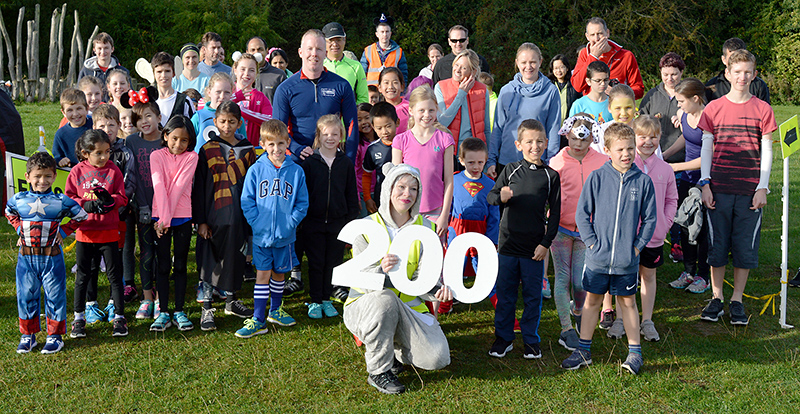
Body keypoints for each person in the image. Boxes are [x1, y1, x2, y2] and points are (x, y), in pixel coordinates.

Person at [343, 162, 452, 395]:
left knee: (438, 358)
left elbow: (425, 281)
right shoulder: (367, 227)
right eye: (401, 187)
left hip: (409, 308)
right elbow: (359, 279)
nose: (407, 194)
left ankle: (394, 349)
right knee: (386, 300)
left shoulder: (427, 228)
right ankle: (379, 370)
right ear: (388, 190)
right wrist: (380, 270)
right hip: (367, 306)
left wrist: (440, 290)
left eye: (413, 189)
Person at [560, 122, 656, 375]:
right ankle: (583, 350)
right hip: (597, 258)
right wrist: (592, 243)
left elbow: (650, 219)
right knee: (591, 301)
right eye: (621, 149)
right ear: (607, 150)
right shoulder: (598, 177)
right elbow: (583, 215)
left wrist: (637, 247)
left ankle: (635, 353)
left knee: (628, 303)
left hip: (627, 259)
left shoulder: (643, 182)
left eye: (631, 148)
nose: (627, 154)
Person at [697, 49, 776, 325]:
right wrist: (705, 183)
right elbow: (707, 148)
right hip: (718, 188)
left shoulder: (763, 109)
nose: (742, 77)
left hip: (748, 191)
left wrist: (762, 187)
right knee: (717, 246)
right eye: (737, 71)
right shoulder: (713, 108)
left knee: (744, 248)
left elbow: (767, 150)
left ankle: (737, 300)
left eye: (748, 72)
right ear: (727, 74)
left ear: (754, 74)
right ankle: (716, 298)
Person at [486, 119, 560, 359]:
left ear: (546, 143)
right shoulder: (510, 170)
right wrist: (503, 196)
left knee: (532, 296)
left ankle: (530, 339)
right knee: (506, 294)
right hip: (508, 246)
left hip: (534, 250)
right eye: (529, 142)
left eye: (539, 141)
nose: (535, 146)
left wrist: (545, 244)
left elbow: (555, 214)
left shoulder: (551, 176)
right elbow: (491, 198)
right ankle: (504, 338)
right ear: (519, 144)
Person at [7, 152, 88, 354]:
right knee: (26, 295)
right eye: (37, 176)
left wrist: (63, 231)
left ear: (54, 177)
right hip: (26, 257)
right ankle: (28, 335)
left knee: (55, 295)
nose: (42, 181)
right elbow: (9, 212)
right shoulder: (18, 199)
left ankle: (55, 336)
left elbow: (82, 215)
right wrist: (20, 230)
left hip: (52, 257)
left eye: (47, 176)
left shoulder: (61, 200)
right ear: (27, 177)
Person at [236, 119, 308, 337]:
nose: (276, 149)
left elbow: (302, 203)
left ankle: (275, 310)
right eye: (271, 144)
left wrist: (290, 223)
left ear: (287, 143)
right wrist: (256, 222)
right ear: (262, 144)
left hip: (285, 236)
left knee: (279, 274)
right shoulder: (256, 170)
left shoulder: (296, 171)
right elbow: (247, 200)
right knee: (262, 274)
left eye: (280, 144)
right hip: (261, 235)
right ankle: (258, 318)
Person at [193, 101, 257, 331]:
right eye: (222, 121)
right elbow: (199, 187)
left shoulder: (248, 150)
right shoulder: (207, 149)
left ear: (239, 123)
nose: (227, 126)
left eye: (232, 121)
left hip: (238, 215)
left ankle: (231, 300)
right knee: (208, 259)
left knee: (235, 256)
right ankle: (207, 307)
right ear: (215, 122)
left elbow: (252, 185)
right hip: (212, 215)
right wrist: (200, 220)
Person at [548, 114, 607, 351]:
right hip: (560, 229)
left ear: (592, 138)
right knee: (562, 279)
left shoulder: (603, 161)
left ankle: (578, 310)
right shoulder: (557, 162)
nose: (578, 145)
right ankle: (566, 329)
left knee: (580, 281)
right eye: (573, 139)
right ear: (566, 136)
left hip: (588, 231)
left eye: (583, 140)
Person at [66, 130, 130, 338]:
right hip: (85, 233)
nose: (104, 157)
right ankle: (78, 318)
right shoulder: (76, 172)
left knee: (114, 276)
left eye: (107, 152)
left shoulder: (114, 171)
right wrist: (88, 205)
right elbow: (69, 198)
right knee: (83, 276)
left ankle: (119, 317)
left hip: (109, 233)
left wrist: (111, 202)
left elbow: (122, 197)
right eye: (98, 153)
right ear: (85, 153)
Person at [300, 115, 359, 319]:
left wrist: (351, 223)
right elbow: (303, 194)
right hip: (313, 224)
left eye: (335, 133)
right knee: (316, 262)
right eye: (326, 134)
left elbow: (352, 195)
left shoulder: (345, 164)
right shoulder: (309, 163)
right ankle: (315, 300)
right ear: (318, 136)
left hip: (338, 224)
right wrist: (303, 221)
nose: (330, 138)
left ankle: (326, 298)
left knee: (333, 262)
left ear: (341, 136)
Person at [272, 29, 359, 164]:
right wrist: (297, 148)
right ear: (300, 52)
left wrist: (349, 162)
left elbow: (352, 125)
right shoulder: (285, 89)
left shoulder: (341, 86)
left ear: (325, 53)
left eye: (319, 49)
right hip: (297, 160)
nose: (314, 54)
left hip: (331, 161)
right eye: (310, 49)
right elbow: (278, 129)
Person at [84, 104, 137, 323]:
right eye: (102, 125)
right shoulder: (87, 153)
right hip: (94, 217)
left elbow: (129, 181)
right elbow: (83, 183)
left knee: (120, 253)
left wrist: (116, 207)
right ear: (94, 127)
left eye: (111, 125)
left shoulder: (124, 152)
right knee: (93, 258)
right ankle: (90, 303)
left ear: (119, 125)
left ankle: (120, 293)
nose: (107, 129)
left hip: (120, 213)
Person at [629, 115, 678, 342]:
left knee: (648, 276)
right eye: (642, 137)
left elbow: (671, 200)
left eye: (654, 137)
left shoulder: (665, 169)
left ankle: (647, 320)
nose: (648, 141)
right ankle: (622, 319)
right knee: (625, 277)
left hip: (654, 236)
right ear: (633, 137)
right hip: (628, 236)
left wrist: (665, 223)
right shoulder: (626, 165)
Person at [149, 116, 198, 332]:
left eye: (184, 140)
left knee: (179, 265)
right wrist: (162, 220)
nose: (178, 144)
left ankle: (179, 310)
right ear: (166, 135)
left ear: (190, 142)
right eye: (174, 138)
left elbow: (179, 187)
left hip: (182, 218)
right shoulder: (156, 156)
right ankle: (163, 312)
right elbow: (159, 186)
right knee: (162, 265)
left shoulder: (192, 157)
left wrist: (166, 220)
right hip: (160, 219)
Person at [487, 42, 561, 177]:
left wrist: (552, 162)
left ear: (540, 62)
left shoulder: (551, 91)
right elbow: (498, 129)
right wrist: (491, 160)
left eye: (533, 62)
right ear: (517, 63)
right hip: (507, 162)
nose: (528, 67)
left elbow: (553, 129)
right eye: (524, 62)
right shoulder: (506, 90)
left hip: (537, 161)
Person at [391, 85, 454, 238]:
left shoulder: (445, 139)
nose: (427, 115)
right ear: (411, 111)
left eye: (431, 110)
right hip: (407, 210)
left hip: (435, 211)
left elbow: (449, 181)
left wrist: (444, 216)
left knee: (433, 257)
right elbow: (394, 181)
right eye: (422, 110)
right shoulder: (400, 140)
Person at [668, 78, 710, 294]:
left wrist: (676, 166)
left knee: (701, 228)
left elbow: (708, 157)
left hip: (706, 180)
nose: (678, 106)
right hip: (687, 177)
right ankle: (688, 272)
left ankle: (704, 275)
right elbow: (685, 137)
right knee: (684, 223)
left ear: (695, 99)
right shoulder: (685, 114)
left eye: (681, 101)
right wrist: (664, 155)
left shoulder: (710, 118)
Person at [122, 90, 162, 320]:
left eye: (148, 116)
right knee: (146, 252)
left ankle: (161, 296)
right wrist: (143, 206)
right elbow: (132, 174)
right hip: (142, 207)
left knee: (163, 254)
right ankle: (147, 297)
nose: (144, 122)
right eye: (139, 119)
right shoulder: (132, 141)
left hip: (165, 209)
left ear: (157, 116)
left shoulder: (167, 138)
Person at [447, 137, 499, 289]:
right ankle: (445, 305)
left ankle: (498, 305)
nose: (476, 166)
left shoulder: (490, 184)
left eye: (480, 162)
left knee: (484, 269)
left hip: (480, 231)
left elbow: (494, 215)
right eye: (471, 162)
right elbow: (448, 208)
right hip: (457, 229)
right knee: (454, 268)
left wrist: (492, 240)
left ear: (486, 160)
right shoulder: (454, 180)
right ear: (461, 160)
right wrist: (446, 232)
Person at [570, 17, 645, 99]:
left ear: (607, 33)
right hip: (592, 108)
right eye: (592, 35)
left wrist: (618, 93)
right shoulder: (585, 54)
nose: (596, 39)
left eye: (600, 33)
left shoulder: (626, 55)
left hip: (618, 108)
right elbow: (578, 87)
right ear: (587, 37)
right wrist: (593, 57)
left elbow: (639, 89)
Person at [434, 49, 491, 155]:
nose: (457, 70)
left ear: (473, 71)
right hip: (450, 151)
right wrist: (461, 94)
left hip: (475, 153)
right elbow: (442, 123)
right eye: (456, 65)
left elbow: (486, 128)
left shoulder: (482, 90)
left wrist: (489, 159)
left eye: (463, 68)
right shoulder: (440, 87)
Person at [705, 38, 770, 104]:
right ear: (723, 59)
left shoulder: (759, 85)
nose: (737, 61)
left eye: (740, 57)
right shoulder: (711, 86)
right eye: (732, 58)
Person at [192, 72, 246, 152]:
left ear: (231, 93)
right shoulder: (198, 117)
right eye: (218, 92)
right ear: (209, 92)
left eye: (227, 92)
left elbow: (244, 147)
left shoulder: (237, 118)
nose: (222, 96)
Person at [362, 102, 399, 216]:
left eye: (388, 126)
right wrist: (368, 198)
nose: (384, 132)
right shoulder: (372, 149)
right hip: (381, 200)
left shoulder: (406, 143)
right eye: (379, 128)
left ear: (396, 122)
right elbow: (366, 175)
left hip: (403, 198)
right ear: (373, 127)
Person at [231, 52, 273, 146]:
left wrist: (243, 112)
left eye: (251, 70)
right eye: (242, 69)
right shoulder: (227, 91)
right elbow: (216, 106)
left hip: (250, 148)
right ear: (235, 70)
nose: (246, 74)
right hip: (226, 147)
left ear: (256, 73)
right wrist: (235, 98)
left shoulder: (260, 97)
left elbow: (270, 121)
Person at [323, 22, 369, 105]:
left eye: (338, 40)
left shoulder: (356, 66)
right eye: (331, 40)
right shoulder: (319, 65)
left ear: (344, 40)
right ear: (324, 42)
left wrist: (354, 115)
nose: (335, 44)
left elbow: (363, 98)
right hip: (323, 117)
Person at [361, 15, 408, 86]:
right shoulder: (368, 50)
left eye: (387, 31)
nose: (385, 34)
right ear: (377, 34)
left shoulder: (399, 51)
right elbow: (362, 74)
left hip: (391, 90)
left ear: (390, 33)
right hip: (372, 92)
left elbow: (403, 74)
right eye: (382, 32)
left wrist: (402, 90)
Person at [78, 32, 128, 99]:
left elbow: (129, 93)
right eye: (99, 48)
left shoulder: (122, 71)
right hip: (93, 108)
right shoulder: (86, 71)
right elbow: (79, 94)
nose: (103, 52)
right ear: (94, 50)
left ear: (112, 49)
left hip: (116, 108)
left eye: (106, 48)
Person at [152, 52, 195, 127]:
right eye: (159, 72)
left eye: (167, 71)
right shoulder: (148, 100)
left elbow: (192, 129)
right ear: (154, 74)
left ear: (173, 73)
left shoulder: (184, 101)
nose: (163, 75)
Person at [52, 88, 93, 167]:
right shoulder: (61, 134)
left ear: (87, 109)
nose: (75, 114)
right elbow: (57, 157)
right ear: (63, 113)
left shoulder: (94, 125)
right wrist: (60, 160)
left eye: (79, 108)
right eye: (70, 110)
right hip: (73, 174)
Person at [247, 36, 287, 103]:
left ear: (267, 51)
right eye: (253, 50)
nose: (257, 53)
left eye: (260, 49)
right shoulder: (239, 74)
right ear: (247, 52)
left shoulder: (279, 75)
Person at [355, 103, 376, 217]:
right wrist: (357, 195)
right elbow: (354, 170)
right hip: (362, 193)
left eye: (367, 118)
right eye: (359, 120)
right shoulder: (357, 145)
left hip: (379, 191)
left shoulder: (383, 141)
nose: (364, 122)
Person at [548, 54, 581, 124]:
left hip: (570, 126)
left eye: (562, 67)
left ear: (567, 68)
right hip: (552, 125)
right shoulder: (548, 86)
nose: (559, 71)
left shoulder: (574, 85)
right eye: (556, 68)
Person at [377, 67, 409, 134]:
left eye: (395, 82)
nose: (390, 87)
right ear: (379, 88)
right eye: (386, 83)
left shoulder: (411, 108)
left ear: (402, 87)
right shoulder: (376, 111)